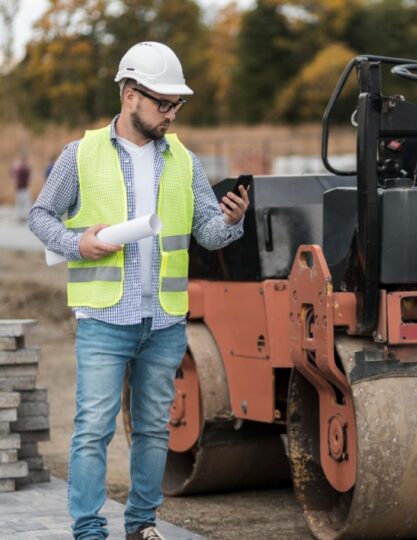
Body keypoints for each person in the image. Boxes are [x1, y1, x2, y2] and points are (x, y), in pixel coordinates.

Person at [28, 42, 250, 540]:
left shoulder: (185, 161)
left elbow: (207, 234)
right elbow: (39, 216)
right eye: (163, 103)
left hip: (165, 319)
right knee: (93, 431)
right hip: (104, 316)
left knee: (153, 430)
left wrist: (231, 221)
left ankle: (141, 525)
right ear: (130, 95)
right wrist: (76, 242)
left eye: (177, 105)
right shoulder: (79, 154)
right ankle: (88, 531)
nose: (172, 113)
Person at [11, 154, 31, 220]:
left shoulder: (18, 167)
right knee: (22, 202)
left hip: (22, 187)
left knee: (23, 202)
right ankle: (21, 216)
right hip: (21, 188)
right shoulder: (21, 168)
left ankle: (22, 215)